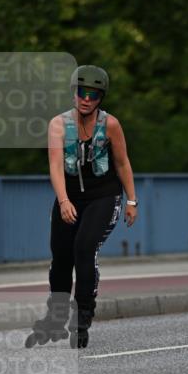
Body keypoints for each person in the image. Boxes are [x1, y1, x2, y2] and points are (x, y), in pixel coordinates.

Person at [26, 64, 138, 349]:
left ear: (101, 98)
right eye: (81, 92)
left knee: (84, 249)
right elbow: (55, 166)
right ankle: (57, 316)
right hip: (70, 195)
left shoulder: (110, 124)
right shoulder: (58, 124)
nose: (86, 99)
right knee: (61, 257)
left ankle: (83, 317)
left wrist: (132, 200)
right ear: (73, 93)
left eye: (93, 94)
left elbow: (123, 163)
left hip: (104, 195)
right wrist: (63, 201)